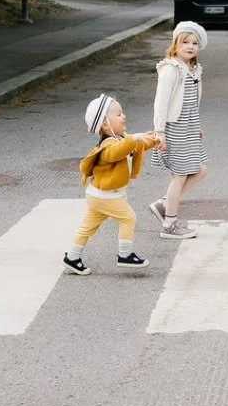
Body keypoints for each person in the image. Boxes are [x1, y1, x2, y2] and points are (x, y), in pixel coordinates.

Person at [62, 93, 163, 274]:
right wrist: (134, 138)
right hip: (106, 196)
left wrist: (154, 140)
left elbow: (136, 145)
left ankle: (72, 257)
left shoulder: (122, 138)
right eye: (118, 114)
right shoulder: (108, 145)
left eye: (122, 112)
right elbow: (118, 151)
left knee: (88, 226)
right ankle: (125, 254)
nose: (123, 116)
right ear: (105, 124)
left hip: (99, 195)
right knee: (128, 218)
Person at [149, 22, 208, 238]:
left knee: (200, 170)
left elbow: (191, 102)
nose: (190, 46)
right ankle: (170, 224)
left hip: (188, 127)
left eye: (195, 43)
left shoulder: (193, 69)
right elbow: (161, 102)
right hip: (174, 128)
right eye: (185, 42)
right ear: (175, 44)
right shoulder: (171, 69)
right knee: (180, 175)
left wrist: (196, 126)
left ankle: (164, 204)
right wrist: (159, 131)